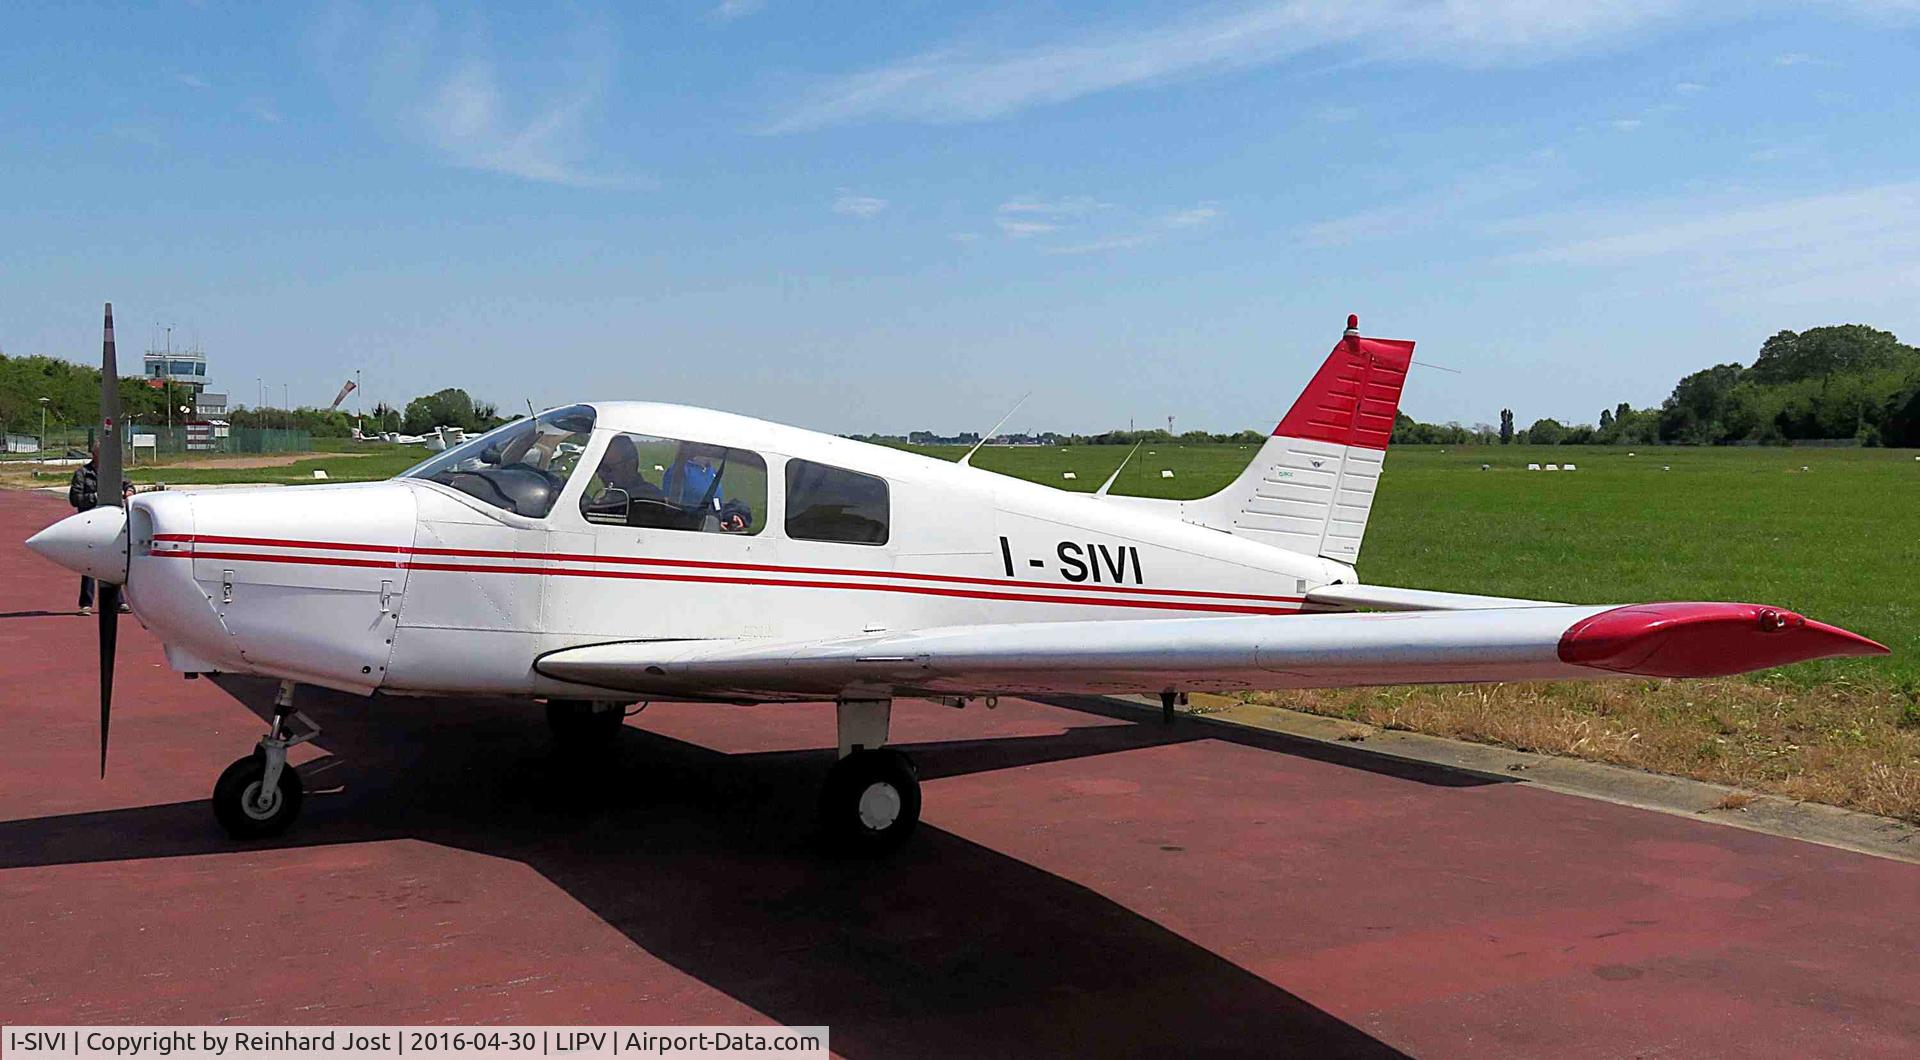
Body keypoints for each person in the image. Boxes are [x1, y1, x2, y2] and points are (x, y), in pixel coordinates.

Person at [67, 445, 131, 615]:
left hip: (109, 525)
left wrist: (129, 491)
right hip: (88, 524)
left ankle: (119, 601)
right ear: (94, 455)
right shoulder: (82, 473)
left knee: (110, 563)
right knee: (89, 565)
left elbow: (128, 484)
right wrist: (95, 496)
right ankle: (86, 604)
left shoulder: (113, 472)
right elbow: (75, 499)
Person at [663, 443, 750, 532]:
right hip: (692, 532)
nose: (714, 449)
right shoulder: (678, 470)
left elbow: (715, 503)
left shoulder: (713, 472)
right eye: (709, 446)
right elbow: (671, 508)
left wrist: (730, 516)